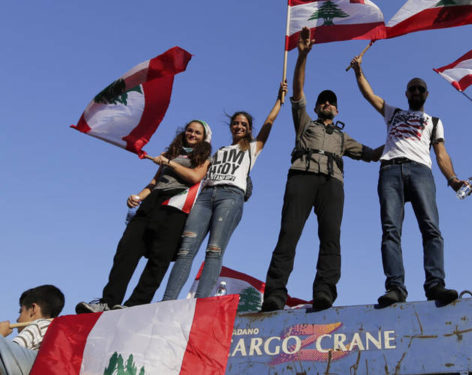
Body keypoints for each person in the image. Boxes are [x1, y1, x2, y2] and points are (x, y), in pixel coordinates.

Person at [261, 27, 382, 312]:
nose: (327, 103)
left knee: (331, 238)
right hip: (302, 177)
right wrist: (302, 56)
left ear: (337, 111)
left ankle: (324, 292)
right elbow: (298, 91)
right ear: (317, 107)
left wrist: (397, 141)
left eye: (332, 102)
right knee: (288, 234)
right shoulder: (305, 123)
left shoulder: (343, 138)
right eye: (323, 101)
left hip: (332, 183)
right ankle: (275, 293)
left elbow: (371, 153)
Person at [349, 55, 471, 307]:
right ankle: (395, 287)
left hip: (421, 172)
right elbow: (370, 95)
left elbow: (441, 153)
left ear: (426, 94)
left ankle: (435, 285)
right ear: (406, 93)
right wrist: (359, 71)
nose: (416, 91)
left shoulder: (433, 122)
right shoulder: (393, 113)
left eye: (420, 88)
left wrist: (453, 179)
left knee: (431, 229)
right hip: (390, 170)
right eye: (412, 88)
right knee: (390, 229)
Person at [162, 83, 287, 300]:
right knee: (185, 250)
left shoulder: (252, 148)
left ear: (249, 129)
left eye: (243, 124)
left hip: (230, 196)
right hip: (205, 197)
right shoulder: (219, 151)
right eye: (236, 123)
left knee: (214, 250)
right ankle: (168, 300)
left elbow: (269, 122)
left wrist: (279, 100)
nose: (239, 126)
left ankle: (200, 302)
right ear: (231, 127)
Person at [77, 121, 212, 313]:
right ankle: (108, 300)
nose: (192, 134)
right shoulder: (170, 153)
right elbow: (154, 182)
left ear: (204, 137)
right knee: (127, 249)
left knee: (159, 259)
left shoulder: (204, 158)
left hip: (176, 206)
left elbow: (194, 177)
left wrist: (168, 163)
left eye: (197, 132)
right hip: (152, 202)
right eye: (189, 130)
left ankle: (135, 305)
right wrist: (138, 197)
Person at [0, 285, 65, 375]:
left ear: (33, 309)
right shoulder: (58, 331)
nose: (17, 319)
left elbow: (8, 358)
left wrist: (1, 334)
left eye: (20, 311)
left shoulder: (38, 325)